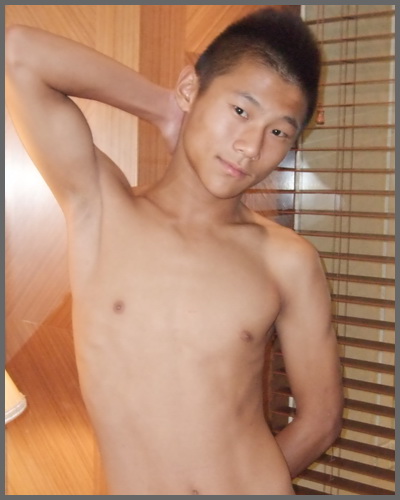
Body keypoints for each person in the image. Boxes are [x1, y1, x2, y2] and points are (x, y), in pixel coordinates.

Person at [5, 7, 343, 495]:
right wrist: (163, 107)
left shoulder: (288, 260)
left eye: (278, 132)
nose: (251, 147)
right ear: (191, 89)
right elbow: (19, 53)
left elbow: (321, 420)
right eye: (241, 110)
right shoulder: (103, 209)